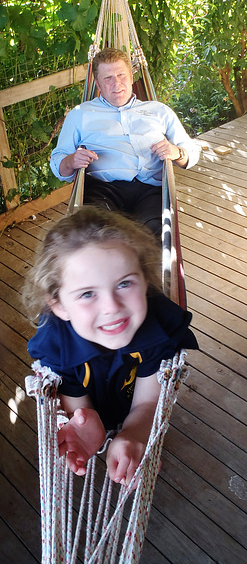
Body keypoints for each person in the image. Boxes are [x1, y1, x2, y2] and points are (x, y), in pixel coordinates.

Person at [26, 207, 198, 486]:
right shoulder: (57, 346)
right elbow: (78, 408)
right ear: (58, 305)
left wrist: (135, 432)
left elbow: (148, 400)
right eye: (87, 293)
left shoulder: (157, 328)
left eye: (125, 283)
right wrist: (87, 419)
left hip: (134, 405)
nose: (111, 307)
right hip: (99, 402)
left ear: (144, 282)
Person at [50, 48, 201, 237]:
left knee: (156, 236)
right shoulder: (80, 114)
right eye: (108, 78)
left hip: (150, 190)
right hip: (103, 189)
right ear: (97, 83)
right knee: (96, 234)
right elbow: (57, 164)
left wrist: (177, 152)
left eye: (121, 75)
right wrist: (71, 161)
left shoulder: (158, 111)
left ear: (131, 76)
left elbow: (192, 151)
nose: (116, 83)